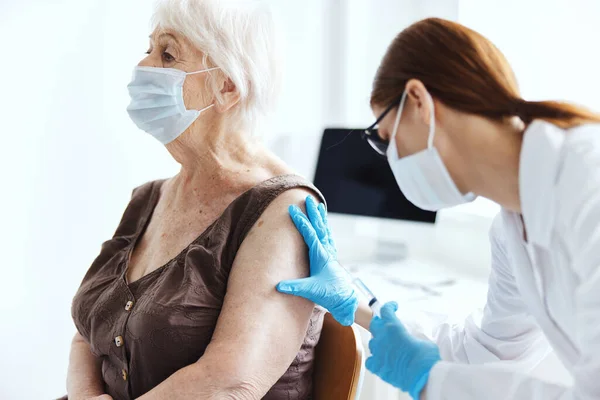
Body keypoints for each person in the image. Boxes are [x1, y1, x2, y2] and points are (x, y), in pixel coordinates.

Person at [277, 17, 600, 400]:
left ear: (418, 101)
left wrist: (430, 379)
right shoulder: (511, 227)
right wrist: (357, 304)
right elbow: (486, 352)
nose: (391, 158)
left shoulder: (587, 179)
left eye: (386, 140)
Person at [62, 1, 325, 399]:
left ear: (227, 86)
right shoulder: (148, 198)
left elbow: (231, 383)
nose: (144, 67)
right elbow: (88, 332)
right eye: (148, 49)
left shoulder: (282, 210)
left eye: (167, 54)